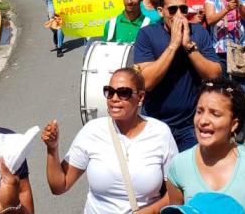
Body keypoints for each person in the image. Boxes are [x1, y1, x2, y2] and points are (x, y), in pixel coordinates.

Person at [41, 68, 178, 214]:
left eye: (123, 92)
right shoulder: (92, 131)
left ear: (141, 96)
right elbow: (59, 186)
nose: (114, 98)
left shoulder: (160, 133)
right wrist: (52, 149)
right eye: (109, 91)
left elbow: (176, 194)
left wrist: (149, 212)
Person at [166, 78, 245, 214]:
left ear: (234, 124)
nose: (203, 120)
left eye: (214, 114)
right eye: (199, 111)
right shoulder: (179, 165)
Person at [134, 0, 222, 151]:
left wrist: (189, 47)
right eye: (173, 9)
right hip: (154, 122)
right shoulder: (147, 34)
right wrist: (173, 45)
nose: (179, 14)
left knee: (189, 174)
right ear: (161, 11)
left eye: (183, 8)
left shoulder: (198, 32)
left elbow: (214, 74)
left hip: (189, 124)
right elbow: (146, 82)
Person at [205, 0, 245, 94]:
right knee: (222, 86)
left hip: (239, 47)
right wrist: (226, 9)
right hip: (219, 48)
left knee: (240, 86)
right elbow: (210, 20)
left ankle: (239, 109)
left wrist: (237, 1)